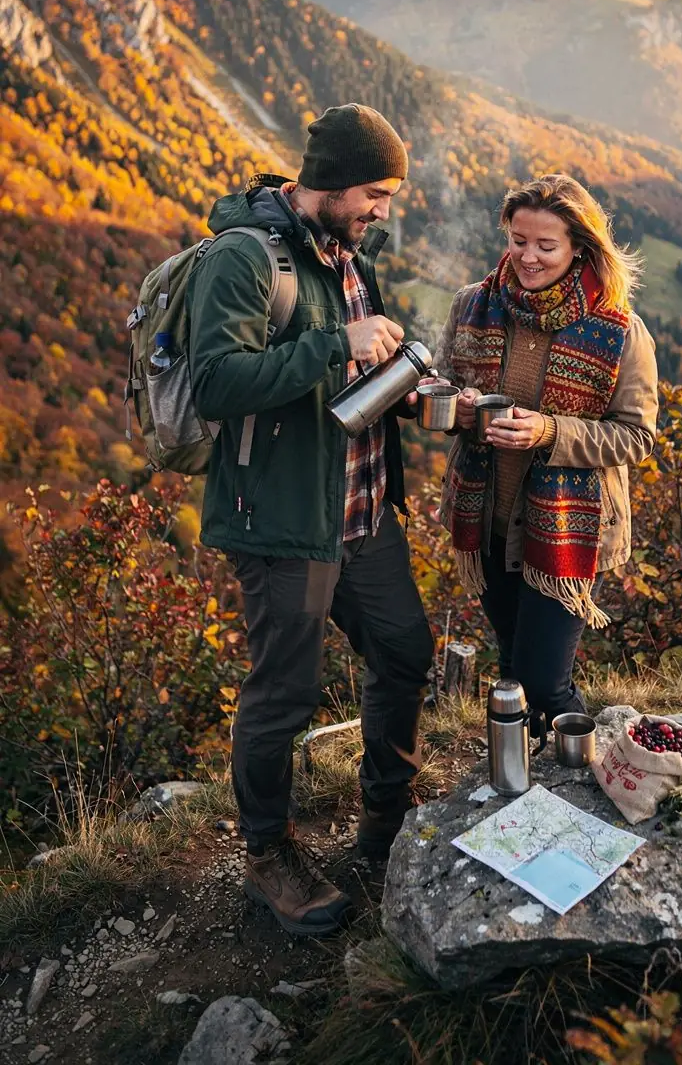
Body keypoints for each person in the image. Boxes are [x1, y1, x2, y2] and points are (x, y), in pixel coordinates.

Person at [187, 104, 434, 937]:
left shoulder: (344, 252)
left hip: (362, 511)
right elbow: (216, 383)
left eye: (390, 196)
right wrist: (340, 344)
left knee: (404, 651)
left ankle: (386, 819)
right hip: (283, 520)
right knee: (284, 696)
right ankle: (268, 858)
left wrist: (409, 380)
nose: (382, 211)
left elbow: (348, 376)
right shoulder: (243, 258)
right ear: (327, 181)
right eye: (375, 191)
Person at [433, 175, 658, 738]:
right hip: (486, 520)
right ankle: (519, 781)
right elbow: (439, 387)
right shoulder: (472, 307)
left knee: (544, 678)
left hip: (565, 530)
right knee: (511, 661)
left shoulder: (621, 333)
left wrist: (549, 432)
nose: (527, 257)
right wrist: (454, 409)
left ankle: (576, 783)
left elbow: (635, 437)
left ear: (579, 247)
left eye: (545, 246)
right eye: (518, 240)